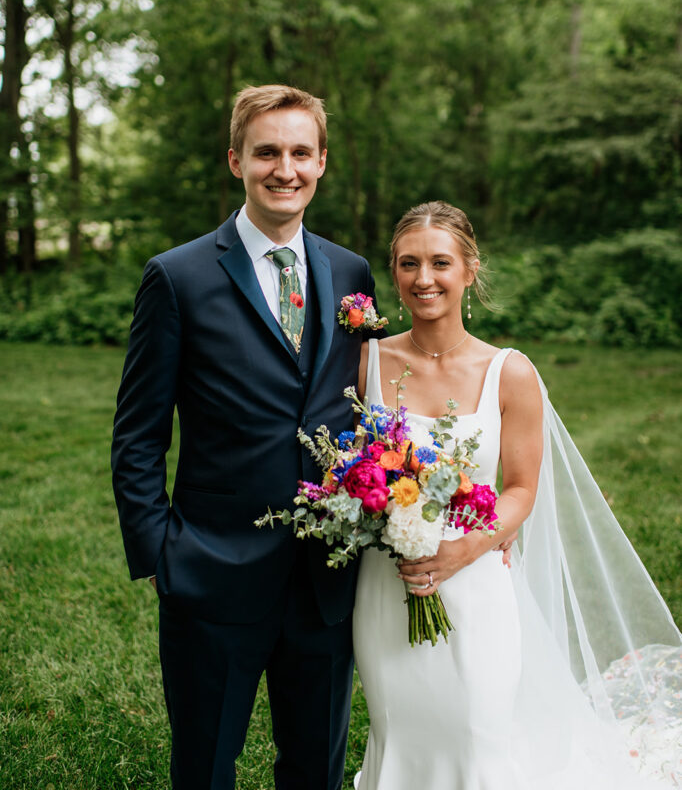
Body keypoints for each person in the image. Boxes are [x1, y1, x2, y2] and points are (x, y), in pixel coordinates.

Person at [352, 201, 681, 790]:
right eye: (408, 264)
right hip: (388, 584)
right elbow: (353, 469)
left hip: (476, 584)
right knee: (400, 731)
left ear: (470, 270)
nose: (424, 278)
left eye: (440, 263)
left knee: (479, 733)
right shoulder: (368, 361)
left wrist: (464, 549)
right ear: (394, 274)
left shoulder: (510, 372)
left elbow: (522, 488)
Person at [111, 84, 381, 790]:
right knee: (205, 765)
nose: (283, 169)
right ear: (237, 161)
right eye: (266, 152)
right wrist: (160, 553)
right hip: (213, 569)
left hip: (325, 573)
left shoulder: (351, 272)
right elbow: (138, 433)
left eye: (299, 152)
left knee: (315, 764)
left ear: (322, 162)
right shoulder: (178, 276)